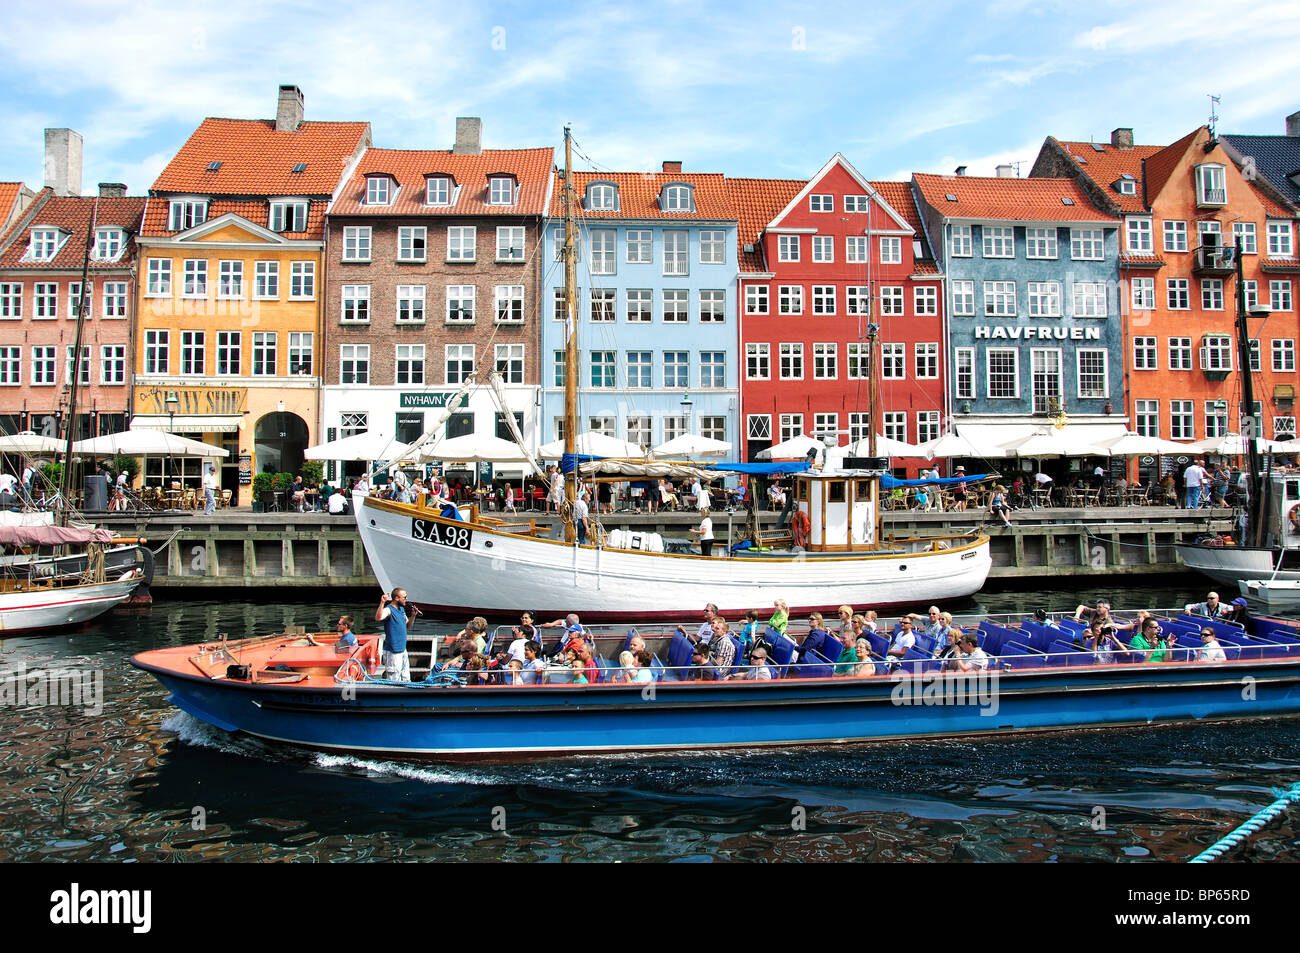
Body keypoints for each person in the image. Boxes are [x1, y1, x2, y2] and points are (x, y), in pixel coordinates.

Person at [374, 587, 414, 682]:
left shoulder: (401, 609)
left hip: (402, 649)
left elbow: (408, 626)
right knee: (394, 679)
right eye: (404, 597)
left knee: (405, 677)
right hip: (393, 651)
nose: (406, 599)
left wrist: (413, 616)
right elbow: (378, 618)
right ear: (396, 598)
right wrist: (382, 602)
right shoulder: (389, 610)